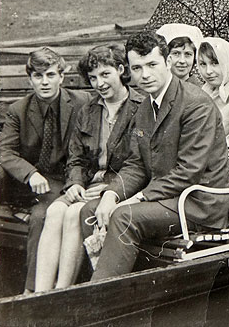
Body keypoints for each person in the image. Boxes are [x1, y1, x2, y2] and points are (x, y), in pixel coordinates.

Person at [79, 32, 229, 280]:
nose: (145, 75)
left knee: (124, 216)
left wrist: (138, 198)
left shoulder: (195, 104)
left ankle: (102, 295)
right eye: (137, 68)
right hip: (166, 197)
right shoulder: (145, 107)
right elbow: (136, 164)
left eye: (152, 65)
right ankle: (99, 283)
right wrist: (111, 194)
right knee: (91, 210)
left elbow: (188, 171)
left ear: (168, 62)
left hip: (198, 202)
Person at [34, 45, 142, 291]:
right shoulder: (89, 111)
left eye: (105, 74)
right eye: (93, 78)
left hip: (117, 186)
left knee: (74, 213)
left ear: (121, 70)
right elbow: (76, 158)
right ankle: (41, 293)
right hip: (89, 185)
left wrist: (108, 189)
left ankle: (62, 291)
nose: (99, 83)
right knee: (55, 211)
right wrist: (74, 183)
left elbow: (139, 164)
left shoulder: (140, 107)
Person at [0, 48, 92, 292]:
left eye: (50, 75)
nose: (45, 82)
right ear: (30, 79)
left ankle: (34, 290)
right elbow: (5, 152)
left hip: (65, 178)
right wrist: (30, 174)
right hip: (30, 182)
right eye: (38, 76)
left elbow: (86, 149)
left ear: (62, 76)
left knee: (42, 215)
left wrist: (75, 180)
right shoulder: (18, 110)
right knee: (41, 213)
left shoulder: (81, 103)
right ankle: (35, 290)